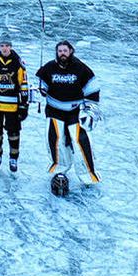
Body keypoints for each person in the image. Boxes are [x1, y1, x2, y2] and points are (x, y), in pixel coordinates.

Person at [34, 40, 100, 184]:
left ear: (71, 51)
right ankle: (60, 169)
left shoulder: (81, 68)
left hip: (74, 111)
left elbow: (92, 88)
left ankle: (88, 175)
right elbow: (40, 87)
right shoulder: (49, 67)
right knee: (55, 139)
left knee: (80, 141)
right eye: (59, 51)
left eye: (65, 50)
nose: (62, 53)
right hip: (54, 111)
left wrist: (90, 110)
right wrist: (40, 91)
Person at [0, 33, 29, 173]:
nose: (4, 48)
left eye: (7, 46)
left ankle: (13, 158)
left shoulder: (17, 62)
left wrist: (24, 104)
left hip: (12, 105)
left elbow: (23, 83)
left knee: (13, 133)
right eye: (2, 45)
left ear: (10, 46)